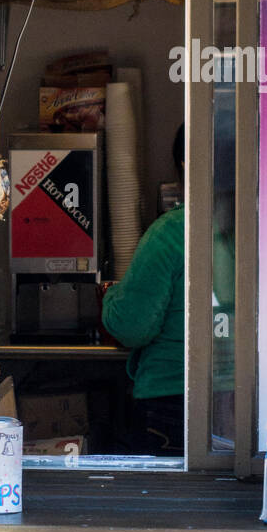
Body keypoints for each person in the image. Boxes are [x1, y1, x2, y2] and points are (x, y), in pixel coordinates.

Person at [101, 124, 185, 454]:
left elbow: (131, 326)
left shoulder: (172, 233)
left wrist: (111, 298)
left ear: (184, 164)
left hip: (169, 401)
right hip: (250, 402)